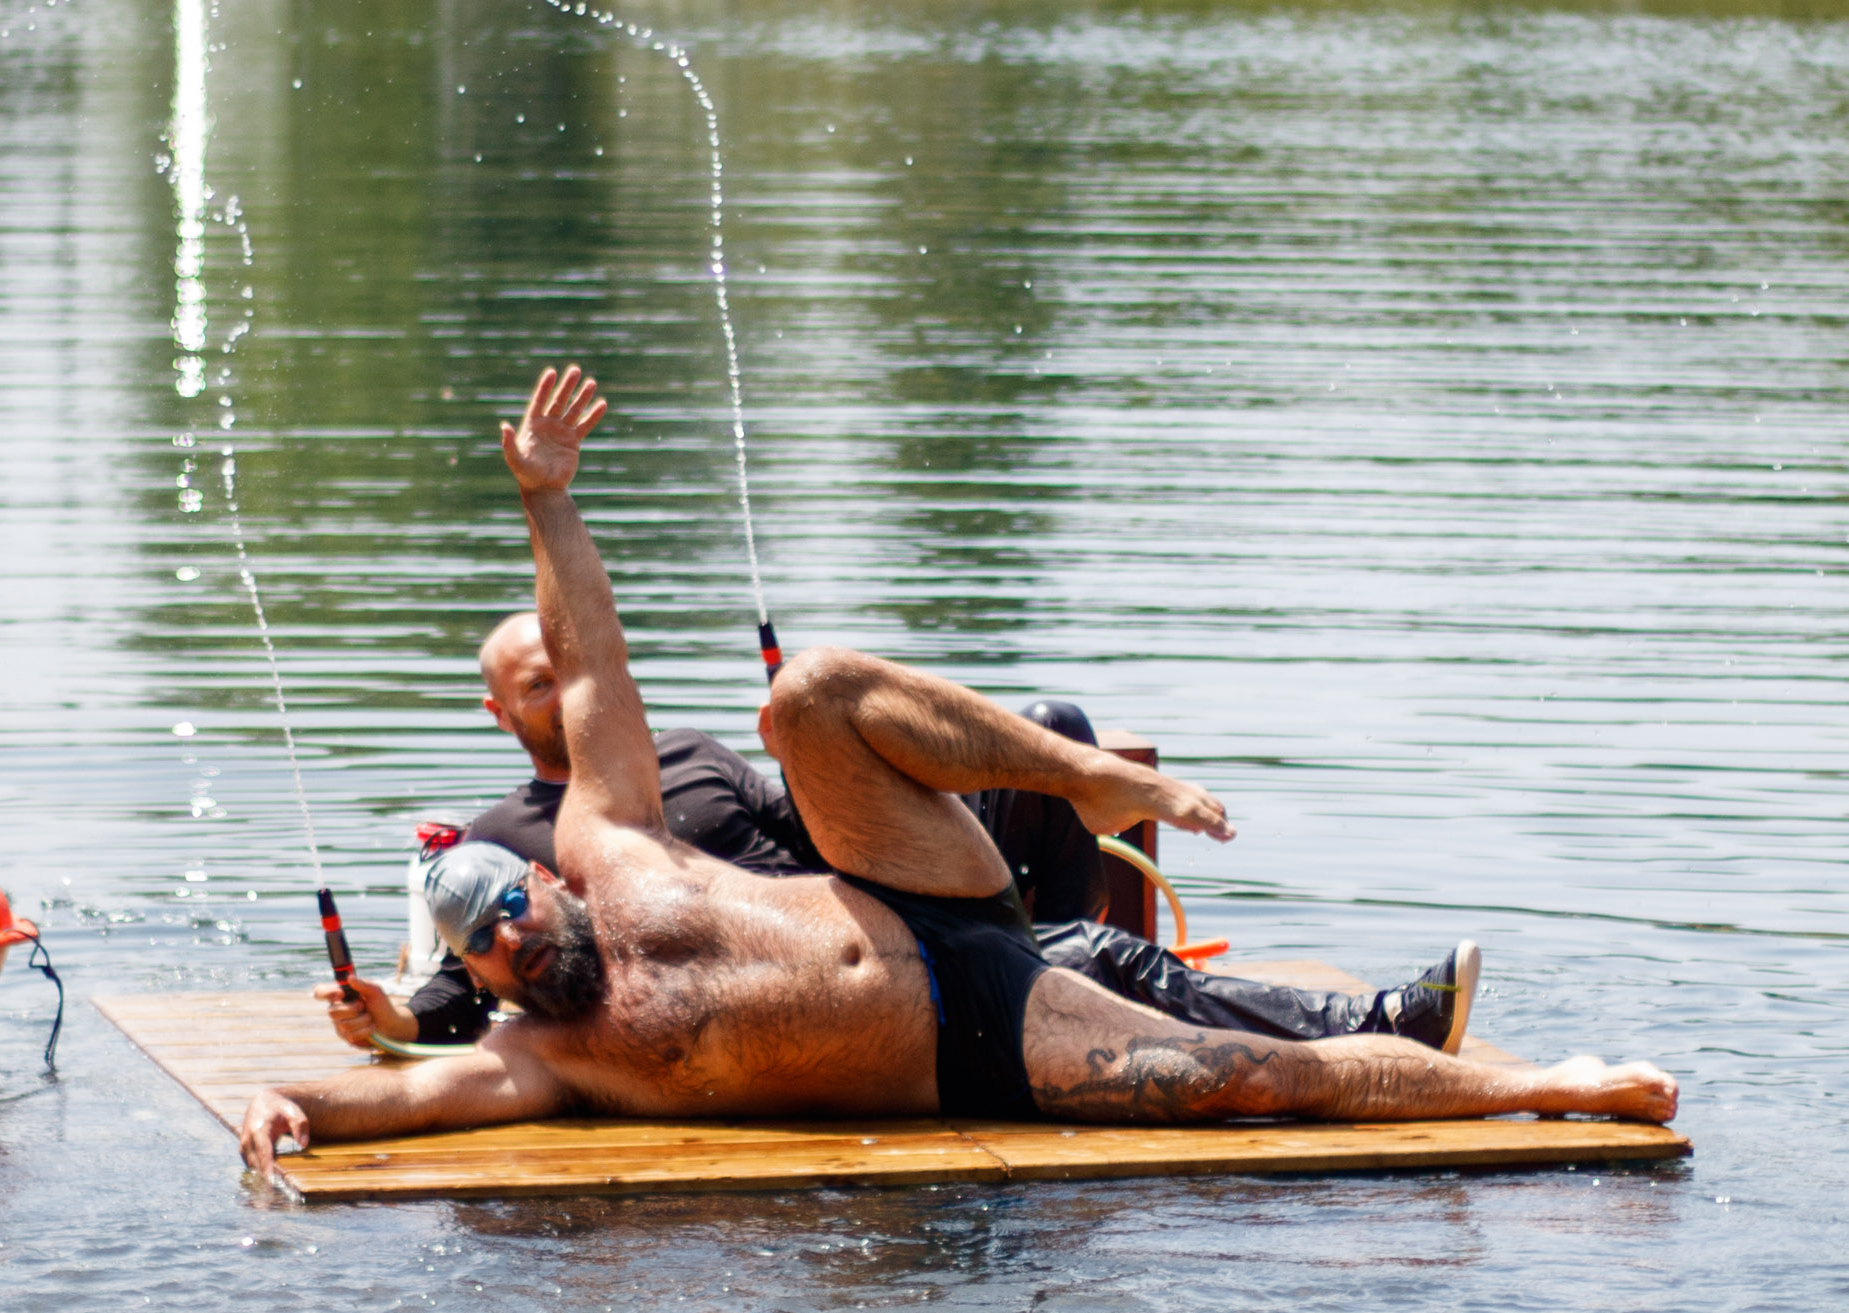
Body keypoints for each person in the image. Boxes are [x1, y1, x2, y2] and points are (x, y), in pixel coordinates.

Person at [236, 366, 1676, 1182]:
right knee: (1246, 1084)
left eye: (507, 904)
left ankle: (1090, 780)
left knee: (806, 693)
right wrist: (296, 1099)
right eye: (484, 944)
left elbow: (592, 665)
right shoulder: (544, 1057)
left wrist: (548, 503)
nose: (506, 934)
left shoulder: (607, 839)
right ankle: (1551, 1086)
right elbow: (399, 1100)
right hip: (968, 1026)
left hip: (906, 884)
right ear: (482, 979)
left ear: (546, 880)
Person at [320, 613, 1481, 1055]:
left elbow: (808, 821)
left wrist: (835, 750)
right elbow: (471, 987)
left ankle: (1045, 947)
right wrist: (392, 1020)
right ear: (500, 711)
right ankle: (1371, 1025)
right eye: (536, 685)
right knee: (1099, 959)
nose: (563, 692)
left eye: (568, 670)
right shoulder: (504, 853)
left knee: (1047, 730)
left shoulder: (688, 753)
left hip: (882, 909)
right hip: (806, 993)